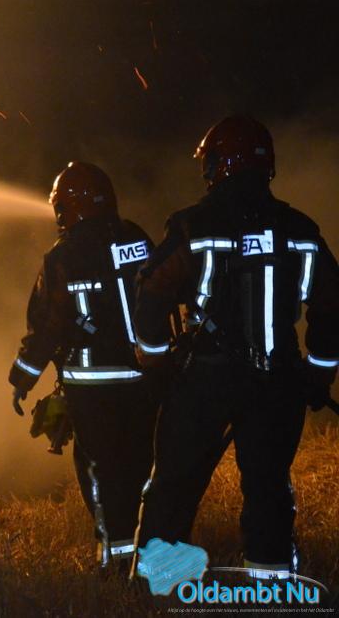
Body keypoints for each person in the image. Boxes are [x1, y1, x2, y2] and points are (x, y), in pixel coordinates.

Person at [133, 115, 339, 578]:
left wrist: (158, 363)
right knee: (268, 488)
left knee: (174, 484)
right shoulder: (299, 228)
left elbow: (150, 295)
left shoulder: (193, 224)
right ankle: (272, 583)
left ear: (217, 164)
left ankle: (156, 582)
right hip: (278, 383)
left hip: (204, 381)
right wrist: (318, 371)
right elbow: (331, 304)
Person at [9, 161, 158, 568]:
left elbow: (47, 325)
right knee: (142, 467)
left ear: (67, 207)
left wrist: (22, 377)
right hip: (146, 383)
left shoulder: (63, 256)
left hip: (93, 389)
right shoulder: (137, 238)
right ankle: (149, 551)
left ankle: (117, 561)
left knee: (101, 474)